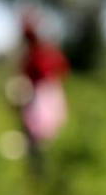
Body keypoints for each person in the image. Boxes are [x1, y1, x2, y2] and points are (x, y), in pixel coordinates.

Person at [15, 14, 69, 161]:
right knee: (39, 128)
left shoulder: (43, 52)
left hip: (45, 93)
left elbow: (62, 68)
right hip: (40, 92)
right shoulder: (33, 54)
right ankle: (39, 157)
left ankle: (45, 157)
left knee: (45, 127)